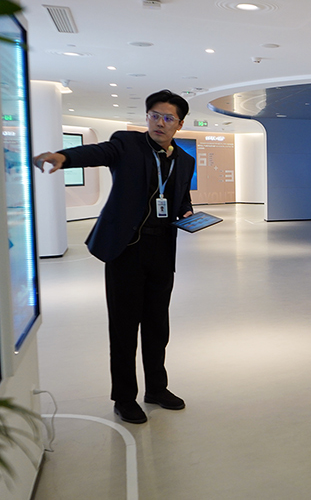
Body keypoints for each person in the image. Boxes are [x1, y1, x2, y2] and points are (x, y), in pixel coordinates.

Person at [33, 90, 195, 424]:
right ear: (146, 117)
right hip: (126, 250)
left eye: (168, 118)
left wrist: (188, 212)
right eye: (154, 115)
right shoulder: (127, 144)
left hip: (162, 251)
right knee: (124, 327)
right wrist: (63, 157)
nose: (160, 123)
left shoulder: (184, 160)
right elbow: (97, 152)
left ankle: (157, 388)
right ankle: (124, 397)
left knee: (157, 325)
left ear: (179, 124)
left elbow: (179, 199)